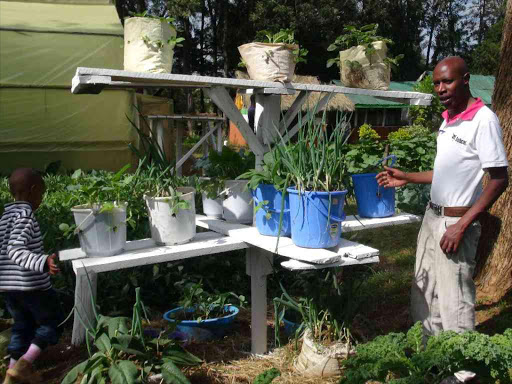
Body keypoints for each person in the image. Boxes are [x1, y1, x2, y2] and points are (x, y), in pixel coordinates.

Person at [377, 56, 509, 337]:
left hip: (457, 221)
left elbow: (499, 180)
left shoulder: (483, 120)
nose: (440, 88)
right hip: (432, 216)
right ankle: (432, 359)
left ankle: (461, 373)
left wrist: (462, 226)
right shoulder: (448, 120)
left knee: (454, 300)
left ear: (465, 79)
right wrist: (408, 177)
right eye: (436, 83)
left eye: (447, 81)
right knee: (425, 291)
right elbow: (445, 171)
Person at [1, 168, 62, 384]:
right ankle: (25, 364)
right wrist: (42, 262)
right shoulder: (25, 215)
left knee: (22, 326)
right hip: (30, 285)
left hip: (8, 287)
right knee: (51, 321)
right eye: (41, 195)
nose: (41, 200)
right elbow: (15, 249)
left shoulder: (5, 216)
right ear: (33, 191)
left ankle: (12, 371)